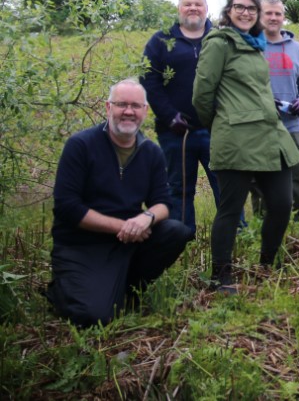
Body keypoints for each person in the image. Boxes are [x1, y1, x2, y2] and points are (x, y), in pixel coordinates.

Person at [46, 79, 192, 326]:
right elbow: (67, 207)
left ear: (145, 111)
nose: (128, 111)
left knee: (176, 231)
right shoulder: (81, 146)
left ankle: (128, 286)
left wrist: (146, 218)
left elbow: (163, 203)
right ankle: (62, 290)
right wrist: (122, 227)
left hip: (126, 244)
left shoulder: (150, 151)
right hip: (81, 244)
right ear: (108, 108)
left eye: (136, 106)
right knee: (94, 317)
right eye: (121, 104)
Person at [193, 0, 299, 293]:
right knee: (230, 208)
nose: (245, 12)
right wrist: (222, 124)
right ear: (228, 11)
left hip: (270, 134)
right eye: (239, 7)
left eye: (251, 9)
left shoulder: (254, 44)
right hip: (236, 138)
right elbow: (202, 94)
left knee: (282, 203)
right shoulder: (219, 43)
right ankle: (221, 276)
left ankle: (267, 265)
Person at [141, 0, 225, 235]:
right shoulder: (161, 40)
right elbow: (149, 80)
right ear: (179, 9)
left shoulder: (221, 38)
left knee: (225, 184)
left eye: (198, 4)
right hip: (176, 132)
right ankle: (180, 238)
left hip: (217, 130)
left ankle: (234, 234)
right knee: (178, 188)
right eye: (187, 4)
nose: (193, 8)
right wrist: (168, 116)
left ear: (206, 9)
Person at [250, 0, 299, 222]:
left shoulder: (297, 49)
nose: (273, 17)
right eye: (268, 13)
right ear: (260, 16)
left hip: (291, 124)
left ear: (284, 17)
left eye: (277, 13)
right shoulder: (250, 46)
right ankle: (262, 228)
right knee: (260, 180)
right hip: (259, 126)